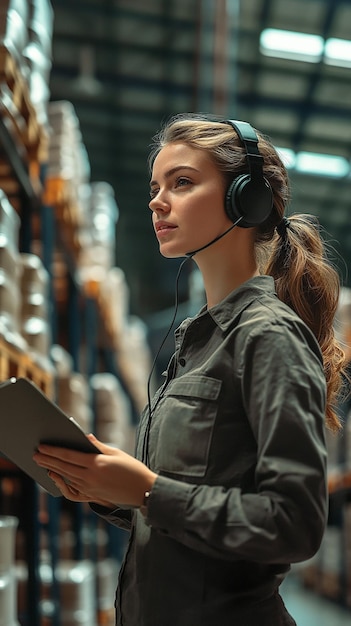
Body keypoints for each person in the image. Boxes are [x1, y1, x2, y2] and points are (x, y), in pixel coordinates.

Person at [34, 113, 347, 626]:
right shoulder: (194, 341)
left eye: (182, 182)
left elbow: (295, 524)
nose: (158, 200)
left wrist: (147, 491)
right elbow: (191, 495)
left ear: (245, 198)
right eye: (155, 186)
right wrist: (103, 488)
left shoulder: (266, 335)